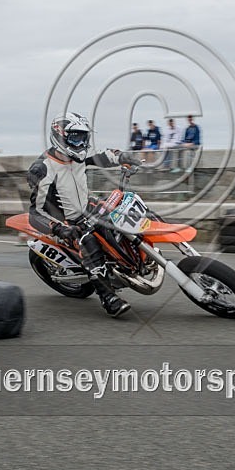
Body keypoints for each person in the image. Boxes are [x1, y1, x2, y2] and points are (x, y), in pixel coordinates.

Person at [27, 112, 142, 317]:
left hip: (88, 207)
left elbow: (104, 156)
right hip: (66, 221)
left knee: (120, 215)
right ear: (60, 136)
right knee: (89, 243)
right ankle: (108, 297)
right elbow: (36, 212)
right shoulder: (42, 169)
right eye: (75, 137)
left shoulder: (77, 155)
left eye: (83, 137)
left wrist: (123, 157)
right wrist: (60, 228)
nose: (81, 143)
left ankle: (136, 259)